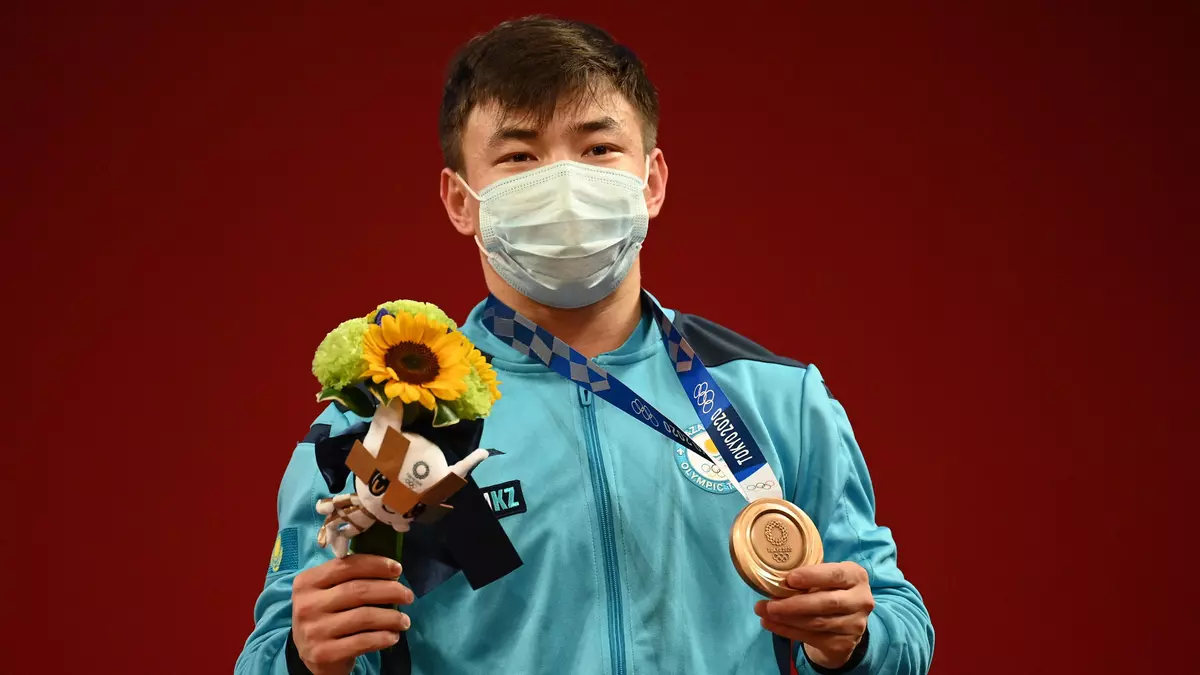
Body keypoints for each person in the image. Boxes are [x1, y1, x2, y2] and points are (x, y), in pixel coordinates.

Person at [235, 15, 934, 675]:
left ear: (651, 181)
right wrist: (303, 656)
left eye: (598, 148)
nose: (563, 182)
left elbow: (899, 624)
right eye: (519, 155)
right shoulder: (381, 423)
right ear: (459, 201)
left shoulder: (778, 398)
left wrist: (857, 641)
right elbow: (272, 651)